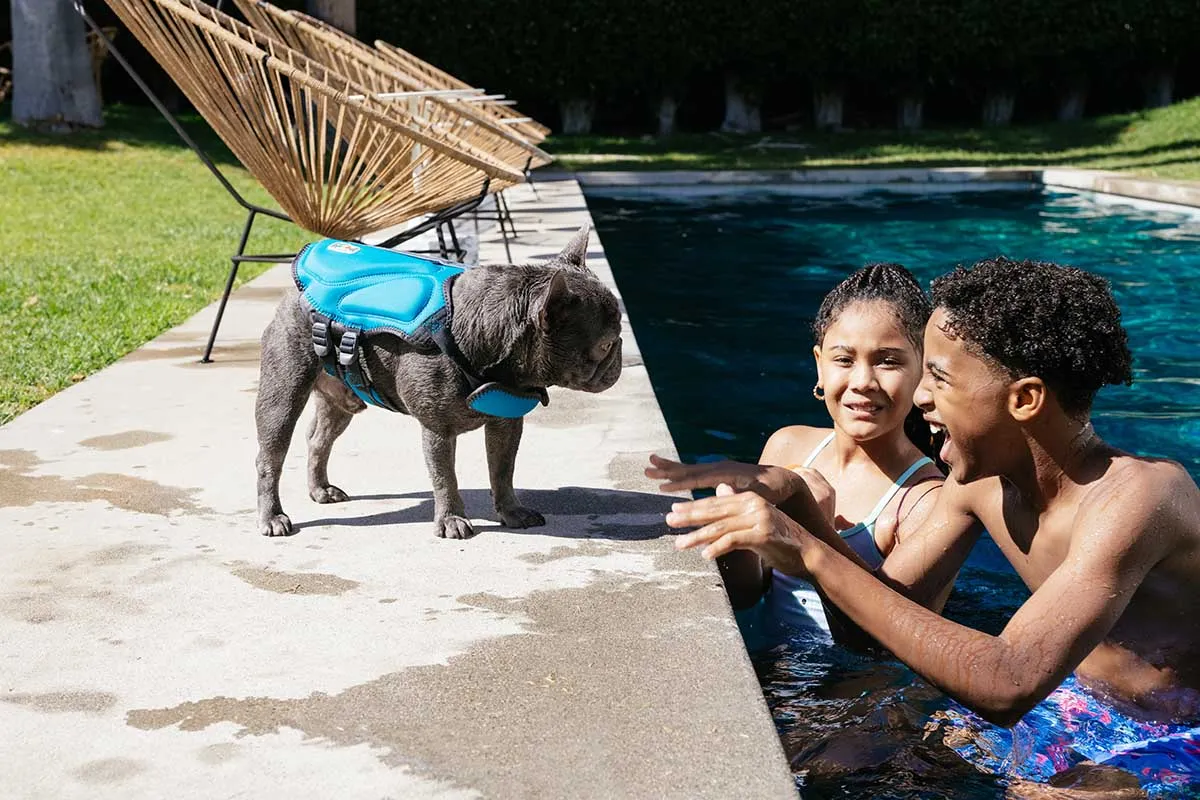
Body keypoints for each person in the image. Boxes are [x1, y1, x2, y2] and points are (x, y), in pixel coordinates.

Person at [666, 257, 1200, 792]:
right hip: (1071, 703)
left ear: (1025, 399)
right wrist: (801, 509)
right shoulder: (977, 486)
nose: (920, 396)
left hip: (1184, 731)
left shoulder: (1139, 497)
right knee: (830, 765)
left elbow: (1008, 684)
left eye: (938, 378)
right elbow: (871, 636)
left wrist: (809, 550)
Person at [647, 262, 944, 645]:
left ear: (922, 371)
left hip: (857, 695)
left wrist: (811, 530)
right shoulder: (788, 445)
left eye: (888, 361)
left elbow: (879, 648)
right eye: (844, 359)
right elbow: (745, 595)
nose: (863, 381)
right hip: (781, 667)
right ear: (819, 365)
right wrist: (735, 525)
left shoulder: (923, 499)